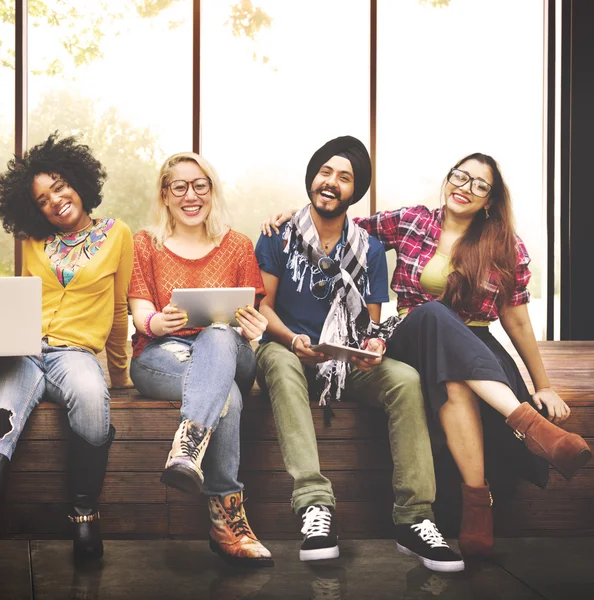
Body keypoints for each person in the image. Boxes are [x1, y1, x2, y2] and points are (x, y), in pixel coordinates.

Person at [262, 152, 592, 559]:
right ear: (448, 179)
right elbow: (340, 223)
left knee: (453, 376)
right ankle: (533, 427)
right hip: (409, 333)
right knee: (432, 313)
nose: (464, 187)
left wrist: (544, 386)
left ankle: (476, 506)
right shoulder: (413, 221)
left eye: (479, 185)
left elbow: (519, 323)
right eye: (460, 176)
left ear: (489, 200)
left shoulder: (506, 246)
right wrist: (295, 216)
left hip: (475, 347)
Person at [255, 135, 465, 572]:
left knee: (405, 378)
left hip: (343, 362)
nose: (331, 182)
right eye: (325, 172)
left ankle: (415, 517)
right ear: (312, 178)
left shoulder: (368, 248)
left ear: (356, 190)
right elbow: (263, 307)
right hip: (291, 353)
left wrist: (370, 347)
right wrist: (294, 339)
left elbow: (368, 323)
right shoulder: (278, 236)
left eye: (344, 177)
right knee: (274, 358)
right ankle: (315, 507)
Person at [128, 152, 273, 568]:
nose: (191, 195)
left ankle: (188, 445)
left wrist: (252, 329)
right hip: (162, 356)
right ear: (165, 194)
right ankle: (228, 521)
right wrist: (157, 322)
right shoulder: (146, 244)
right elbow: (141, 315)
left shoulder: (238, 245)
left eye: (200, 185)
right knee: (223, 393)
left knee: (219, 333)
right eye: (180, 186)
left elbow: (253, 316)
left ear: (212, 191)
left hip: (231, 352)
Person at [0, 133, 133, 560]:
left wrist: (120, 371)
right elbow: (20, 300)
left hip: (75, 354)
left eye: (59, 186)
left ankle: (84, 513)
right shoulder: (30, 241)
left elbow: (118, 307)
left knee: (94, 400)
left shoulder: (117, 235)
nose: (55, 200)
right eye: (42, 199)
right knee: (2, 419)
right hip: (23, 352)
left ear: (77, 182)